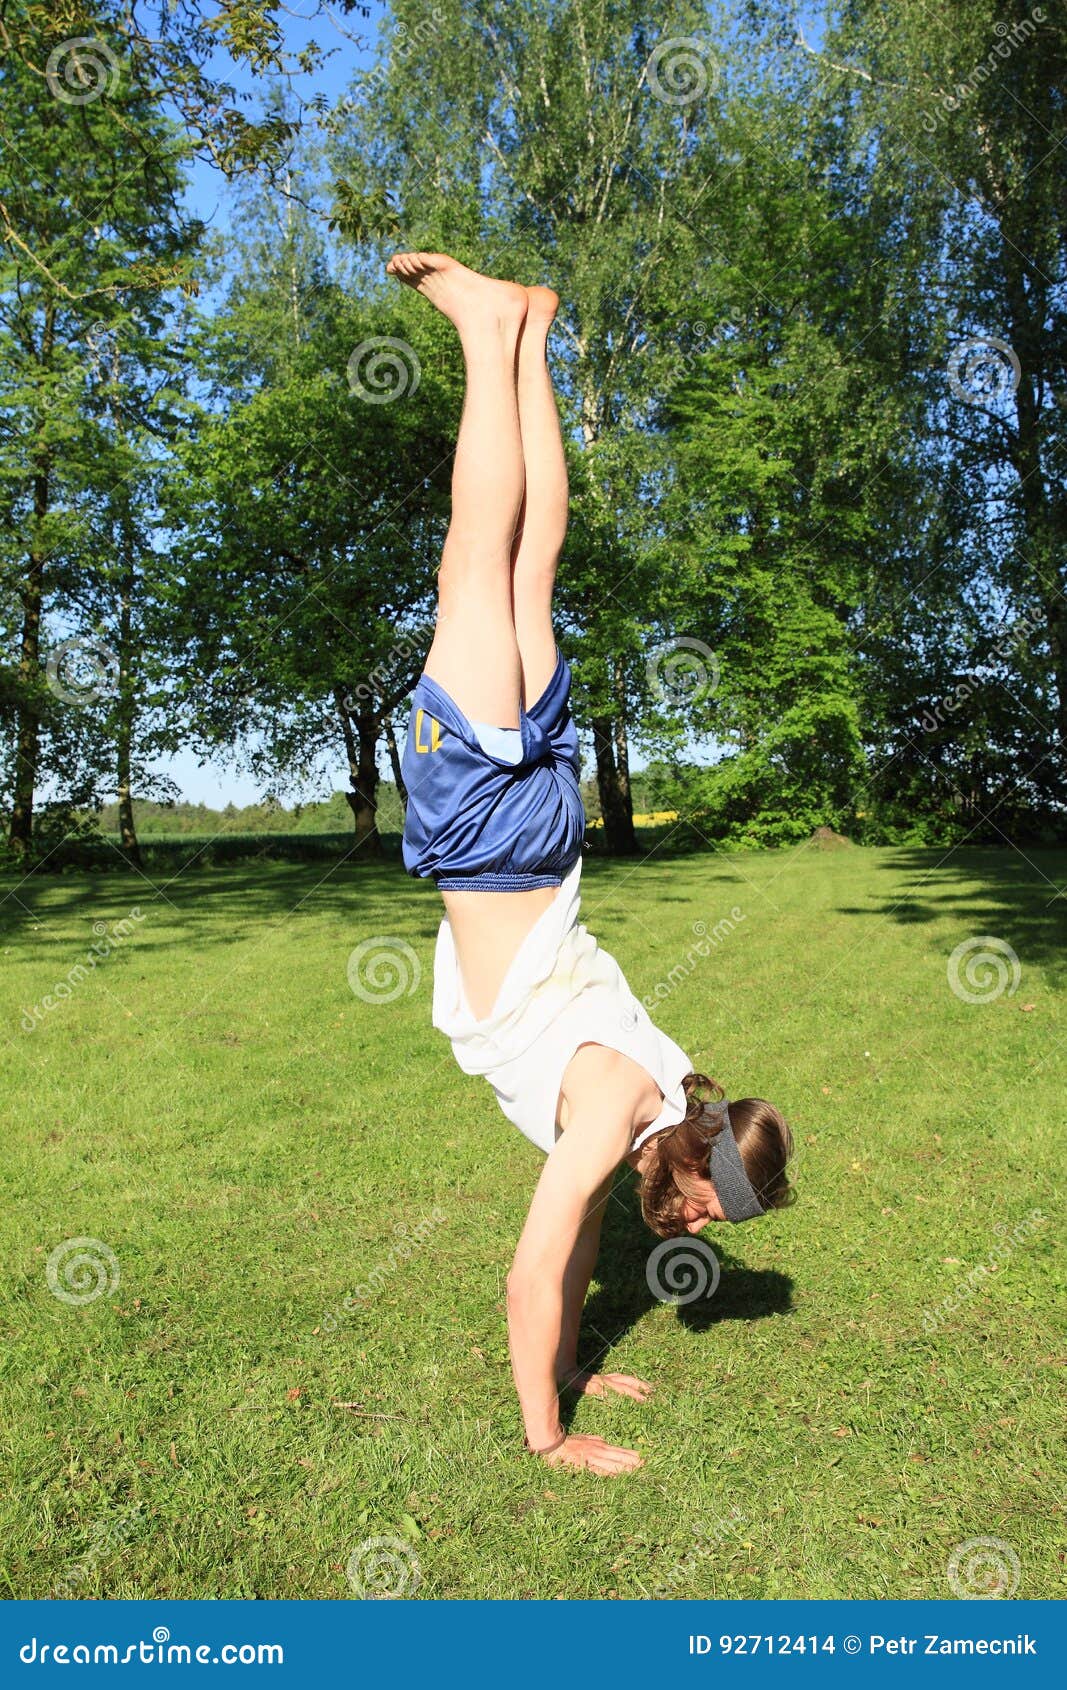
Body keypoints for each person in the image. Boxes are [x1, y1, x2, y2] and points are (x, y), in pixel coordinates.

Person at [389, 252, 793, 1477]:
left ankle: (530, 336)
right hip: (489, 839)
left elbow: (570, 1260)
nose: (685, 1227)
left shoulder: (665, 1091)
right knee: (479, 555)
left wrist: (577, 1356)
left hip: (539, 840)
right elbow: (531, 1264)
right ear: (697, 1151)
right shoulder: (621, 1104)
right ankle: (483, 329)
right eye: (705, 1208)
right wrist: (548, 1434)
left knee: (526, 569)